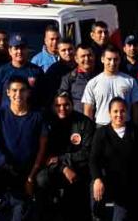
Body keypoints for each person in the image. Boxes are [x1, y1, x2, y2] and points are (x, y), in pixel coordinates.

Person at [0, 77, 48, 221]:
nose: (18, 94)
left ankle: (12, 204)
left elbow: (41, 150)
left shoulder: (38, 117)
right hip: (1, 169)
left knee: (21, 214)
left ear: (28, 93)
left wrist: (31, 177)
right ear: (8, 93)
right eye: (14, 90)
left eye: (22, 90)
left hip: (24, 174)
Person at [35, 91, 94, 220]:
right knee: (41, 179)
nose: (62, 108)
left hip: (79, 167)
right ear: (52, 106)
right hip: (54, 168)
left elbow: (88, 152)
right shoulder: (46, 123)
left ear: (72, 105)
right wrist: (63, 168)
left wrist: (64, 160)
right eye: (58, 105)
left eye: (66, 104)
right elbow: (45, 155)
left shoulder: (84, 122)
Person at [90, 98, 138, 220]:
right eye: (115, 111)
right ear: (109, 113)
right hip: (108, 184)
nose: (119, 115)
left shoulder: (135, 132)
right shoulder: (101, 133)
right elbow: (94, 159)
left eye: (122, 111)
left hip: (129, 186)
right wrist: (97, 179)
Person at [82, 45, 138, 127]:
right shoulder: (93, 83)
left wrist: (135, 127)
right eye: (109, 59)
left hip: (125, 126)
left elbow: (135, 107)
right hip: (101, 126)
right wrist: (88, 131)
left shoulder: (130, 81)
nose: (112, 63)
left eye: (115, 59)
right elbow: (88, 110)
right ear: (102, 59)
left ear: (120, 60)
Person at [0, 33, 44, 108]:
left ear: (27, 50)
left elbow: (42, 95)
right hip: (7, 116)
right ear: (10, 51)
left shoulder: (36, 71)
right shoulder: (2, 71)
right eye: (16, 48)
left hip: (30, 115)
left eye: (22, 48)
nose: (19, 51)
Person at [59, 45, 97, 113]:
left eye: (89, 55)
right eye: (83, 56)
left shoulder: (101, 76)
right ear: (76, 59)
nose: (87, 59)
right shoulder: (68, 78)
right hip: (78, 120)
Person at [42, 37, 76, 109]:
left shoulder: (80, 67)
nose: (67, 53)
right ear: (58, 52)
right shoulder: (53, 71)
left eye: (70, 49)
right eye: (64, 50)